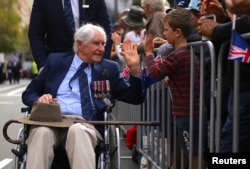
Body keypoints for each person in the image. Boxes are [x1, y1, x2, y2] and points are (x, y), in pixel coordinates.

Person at [22, 23, 144, 169]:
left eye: (103, 44)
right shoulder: (55, 62)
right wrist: (39, 99)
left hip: (86, 125)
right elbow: (28, 93)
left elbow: (135, 98)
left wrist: (135, 70)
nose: (101, 49)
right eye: (96, 43)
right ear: (80, 44)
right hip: (52, 121)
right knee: (41, 132)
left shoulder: (108, 68)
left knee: (78, 131)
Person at [144, 8, 205, 169]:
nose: (164, 34)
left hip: (187, 113)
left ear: (177, 32)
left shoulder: (178, 56)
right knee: (192, 150)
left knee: (193, 152)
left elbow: (155, 71)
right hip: (192, 112)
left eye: (166, 30)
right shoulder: (187, 53)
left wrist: (149, 53)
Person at [198, 0, 250, 153]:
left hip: (244, 86)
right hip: (238, 82)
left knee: (231, 142)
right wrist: (223, 16)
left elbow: (237, 5)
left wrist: (218, 30)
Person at [28, 0, 112, 71]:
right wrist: (43, 65)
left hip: (91, 65)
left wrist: (102, 62)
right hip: (57, 68)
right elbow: (36, 34)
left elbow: (106, 30)